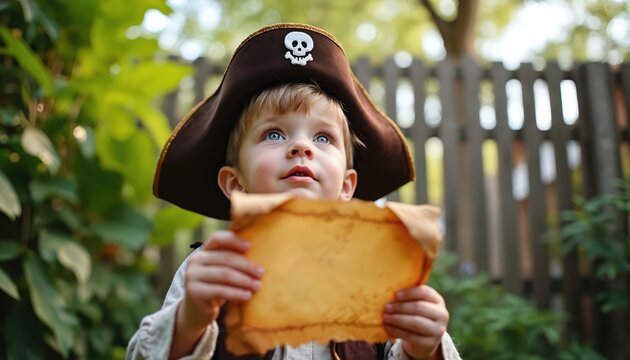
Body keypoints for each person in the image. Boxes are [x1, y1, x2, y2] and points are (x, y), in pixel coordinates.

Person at [127, 23, 461, 360]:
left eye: (323, 138)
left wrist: (423, 347)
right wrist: (190, 320)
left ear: (346, 187)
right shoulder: (209, 270)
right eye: (273, 134)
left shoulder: (379, 273)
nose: (301, 146)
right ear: (235, 183)